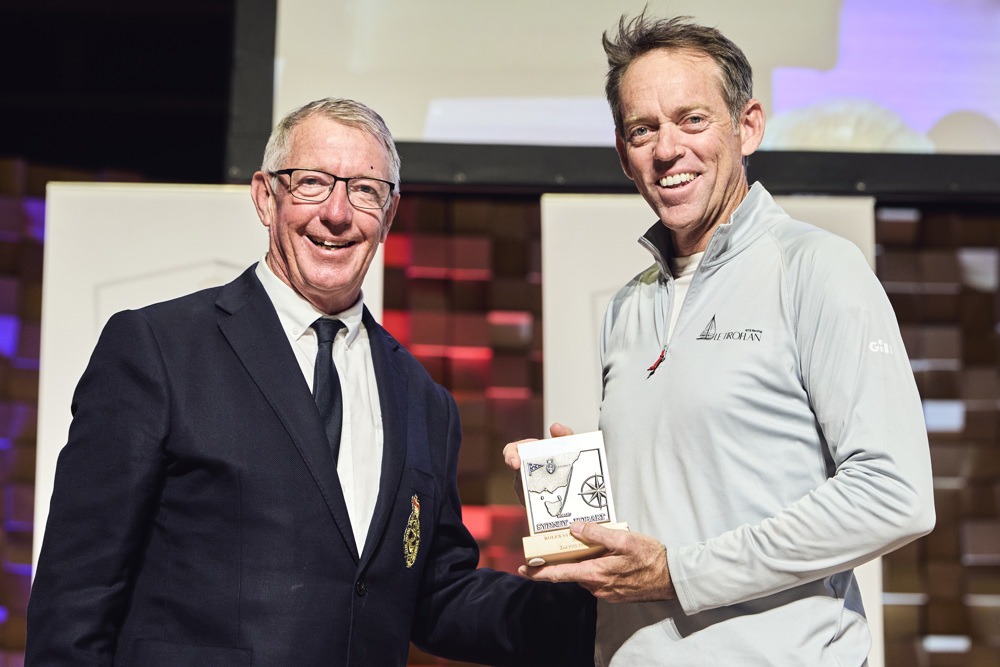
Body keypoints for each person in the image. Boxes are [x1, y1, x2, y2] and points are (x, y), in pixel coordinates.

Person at [27, 98, 594, 666]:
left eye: (365, 190)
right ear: (265, 197)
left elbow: (434, 596)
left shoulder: (425, 401)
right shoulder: (158, 348)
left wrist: (596, 603)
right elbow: (78, 589)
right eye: (313, 184)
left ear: (390, 214)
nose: (338, 213)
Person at [504, 13, 935, 666]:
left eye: (692, 119)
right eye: (643, 130)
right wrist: (579, 506)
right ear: (624, 154)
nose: (667, 149)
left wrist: (684, 572)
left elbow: (894, 495)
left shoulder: (817, 268)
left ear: (748, 126)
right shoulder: (628, 304)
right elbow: (697, 494)